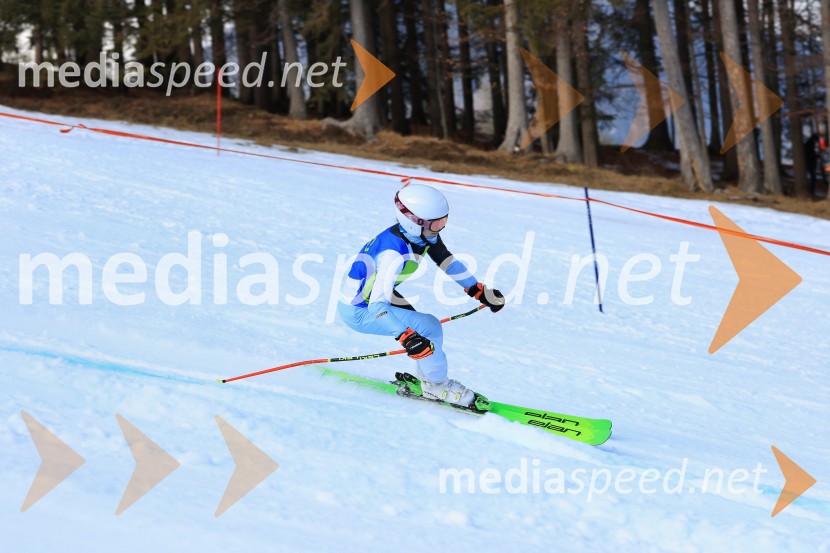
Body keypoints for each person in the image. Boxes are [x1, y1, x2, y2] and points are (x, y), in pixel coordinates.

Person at [337, 184, 505, 407]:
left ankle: (429, 380)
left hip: (370, 299)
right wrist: (405, 337)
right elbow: (377, 307)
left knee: (422, 331)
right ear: (413, 221)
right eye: (436, 224)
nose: (440, 229)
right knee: (429, 327)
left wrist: (476, 289)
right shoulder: (393, 254)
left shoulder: (421, 236)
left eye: (443, 221)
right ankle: (437, 386)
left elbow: (447, 260)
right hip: (359, 310)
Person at [805, 133, 819, 198]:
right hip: (810, 163)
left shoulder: (809, 143)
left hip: (809, 162)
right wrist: (816, 156)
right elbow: (810, 154)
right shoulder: (810, 144)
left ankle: (811, 190)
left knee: (812, 177)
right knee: (812, 177)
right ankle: (811, 191)